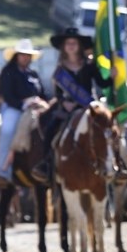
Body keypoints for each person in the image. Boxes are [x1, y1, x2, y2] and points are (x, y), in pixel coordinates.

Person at [32, 28, 113, 184]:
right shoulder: (60, 70)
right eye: (68, 43)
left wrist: (112, 76)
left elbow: (102, 83)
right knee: (50, 131)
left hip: (88, 108)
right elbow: (58, 94)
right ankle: (46, 165)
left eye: (74, 43)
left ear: (80, 46)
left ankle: (116, 163)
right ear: (63, 47)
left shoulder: (90, 65)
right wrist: (64, 103)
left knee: (108, 130)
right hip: (67, 109)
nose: (71, 46)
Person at [0, 39, 47, 187]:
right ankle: (3, 171)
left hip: (36, 108)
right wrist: (24, 104)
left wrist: (42, 102)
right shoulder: (8, 72)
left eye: (28, 55)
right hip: (14, 108)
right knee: (7, 130)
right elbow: (7, 95)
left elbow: (42, 92)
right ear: (16, 55)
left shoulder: (33, 74)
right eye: (23, 55)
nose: (26, 58)